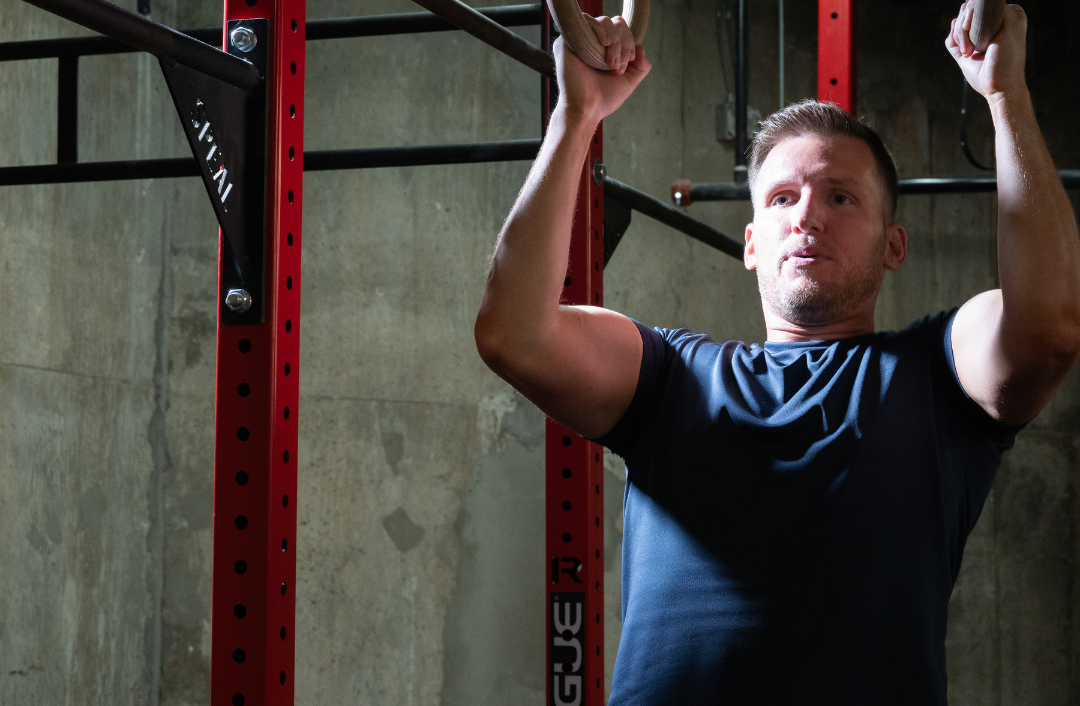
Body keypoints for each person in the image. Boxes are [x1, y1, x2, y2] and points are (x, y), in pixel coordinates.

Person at [474, 1, 1080, 702]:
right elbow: (513, 333)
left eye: (841, 198)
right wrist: (575, 116)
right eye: (783, 198)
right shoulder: (672, 378)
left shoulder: (934, 377)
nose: (807, 215)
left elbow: (1047, 325)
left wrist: (1006, 98)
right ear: (752, 245)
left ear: (894, 246)